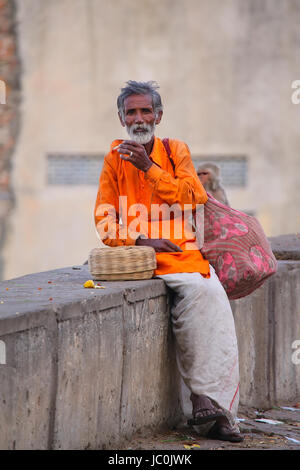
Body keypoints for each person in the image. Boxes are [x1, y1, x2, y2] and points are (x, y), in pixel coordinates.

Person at [94, 81, 243, 442]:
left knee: (214, 302)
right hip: (143, 259)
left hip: (183, 255)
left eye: (146, 111)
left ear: (158, 116)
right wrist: (138, 240)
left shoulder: (176, 151)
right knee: (202, 294)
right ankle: (206, 401)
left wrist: (150, 168)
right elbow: (102, 216)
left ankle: (217, 407)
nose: (139, 118)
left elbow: (193, 196)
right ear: (121, 117)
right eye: (131, 112)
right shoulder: (115, 157)